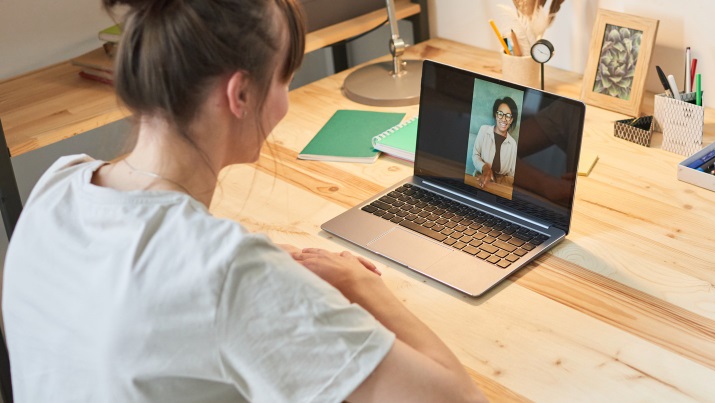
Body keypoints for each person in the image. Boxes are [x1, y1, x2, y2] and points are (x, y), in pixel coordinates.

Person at [1, 0, 485, 402]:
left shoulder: (56, 187)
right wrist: (361, 285)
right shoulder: (230, 272)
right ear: (240, 94)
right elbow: (459, 398)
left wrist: (264, 278)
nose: (286, 101)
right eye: (284, 80)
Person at [472, 97, 519, 189]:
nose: (504, 119)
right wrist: (485, 167)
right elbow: (475, 155)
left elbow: (512, 174)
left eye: (508, 116)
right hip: (479, 178)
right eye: (500, 114)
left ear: (512, 120)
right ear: (496, 115)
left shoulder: (513, 144)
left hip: (501, 186)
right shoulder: (483, 130)